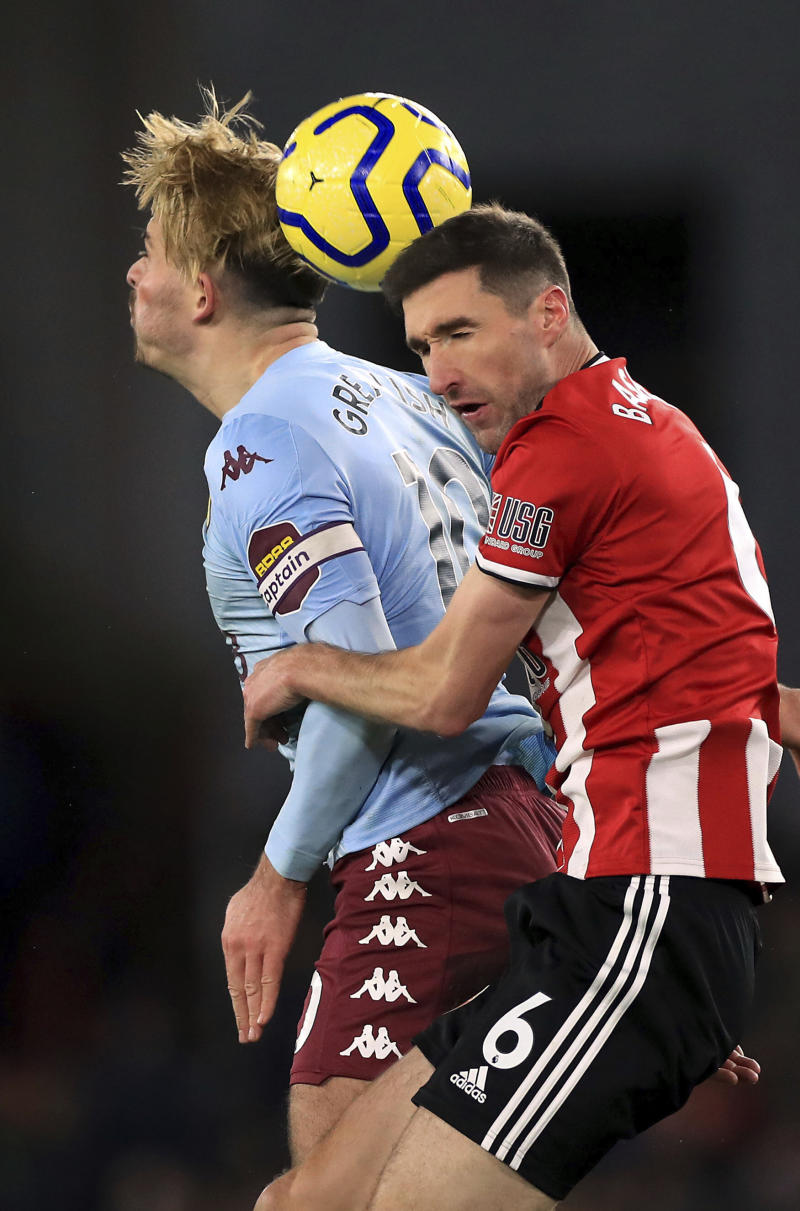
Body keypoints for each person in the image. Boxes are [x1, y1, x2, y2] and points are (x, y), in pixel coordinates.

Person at [243, 204, 800, 1209]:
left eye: (460, 333)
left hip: (643, 917)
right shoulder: (653, 425)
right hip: (608, 920)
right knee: (305, 1201)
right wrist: (780, 704)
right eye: (422, 345)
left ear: (547, 313)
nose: (439, 372)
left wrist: (306, 665)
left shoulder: (558, 454)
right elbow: (657, 639)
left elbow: (446, 692)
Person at [121, 96, 568, 1164]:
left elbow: (367, 680)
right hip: (523, 827)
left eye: (149, 251)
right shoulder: (411, 397)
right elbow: (553, 618)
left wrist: (276, 876)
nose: (133, 275)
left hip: (432, 844)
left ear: (202, 286)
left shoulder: (263, 440)